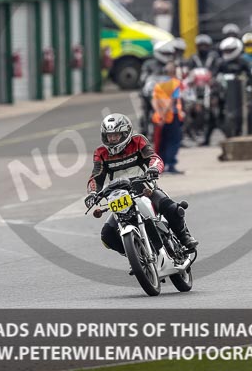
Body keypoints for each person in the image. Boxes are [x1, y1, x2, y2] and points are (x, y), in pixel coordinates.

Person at [85, 113, 198, 254]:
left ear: (125, 133)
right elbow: (96, 175)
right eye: (109, 135)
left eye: (116, 135)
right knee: (107, 236)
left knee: (171, 208)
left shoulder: (138, 141)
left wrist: (153, 169)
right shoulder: (100, 152)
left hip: (144, 188)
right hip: (118, 195)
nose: (112, 139)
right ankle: (137, 254)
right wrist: (92, 193)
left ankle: (184, 237)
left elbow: (153, 157)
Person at [152, 63, 185, 173]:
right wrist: (164, 115)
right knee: (173, 141)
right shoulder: (175, 84)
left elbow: (154, 100)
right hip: (171, 117)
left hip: (159, 118)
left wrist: (159, 114)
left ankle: (161, 166)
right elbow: (172, 101)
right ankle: (171, 165)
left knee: (162, 142)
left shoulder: (158, 84)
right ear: (174, 72)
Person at [139, 40, 175, 134]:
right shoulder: (148, 63)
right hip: (151, 93)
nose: (167, 56)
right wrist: (145, 80)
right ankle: (144, 129)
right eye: (165, 53)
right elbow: (143, 77)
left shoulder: (172, 65)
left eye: (168, 54)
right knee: (145, 109)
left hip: (167, 94)